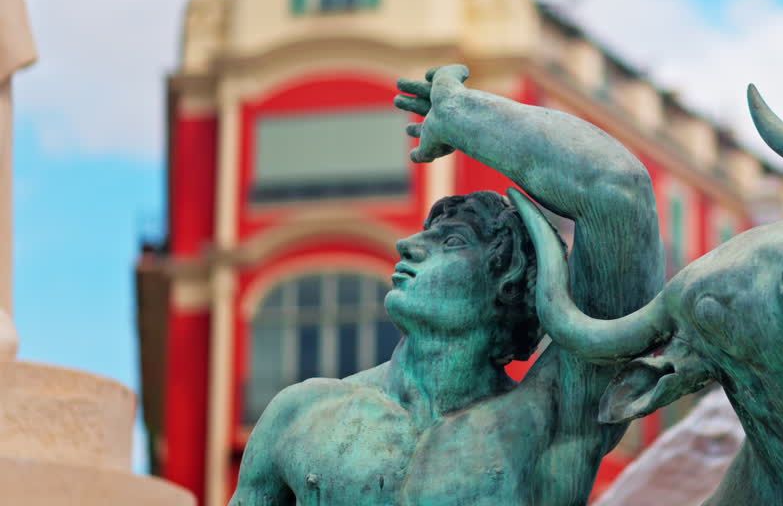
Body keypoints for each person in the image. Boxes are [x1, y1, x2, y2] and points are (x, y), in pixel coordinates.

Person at [230, 64, 664, 505]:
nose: (408, 245)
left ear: (508, 285)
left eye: (451, 242)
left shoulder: (550, 420)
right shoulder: (301, 415)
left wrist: (464, 117)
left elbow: (619, 190)